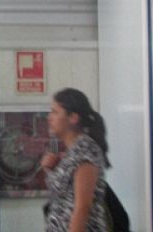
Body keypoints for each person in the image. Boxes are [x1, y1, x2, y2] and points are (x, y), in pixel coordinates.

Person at [41, 88, 109, 232]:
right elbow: (64, 194)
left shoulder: (85, 151)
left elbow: (82, 207)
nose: (49, 117)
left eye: (55, 112)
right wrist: (50, 169)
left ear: (73, 118)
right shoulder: (72, 152)